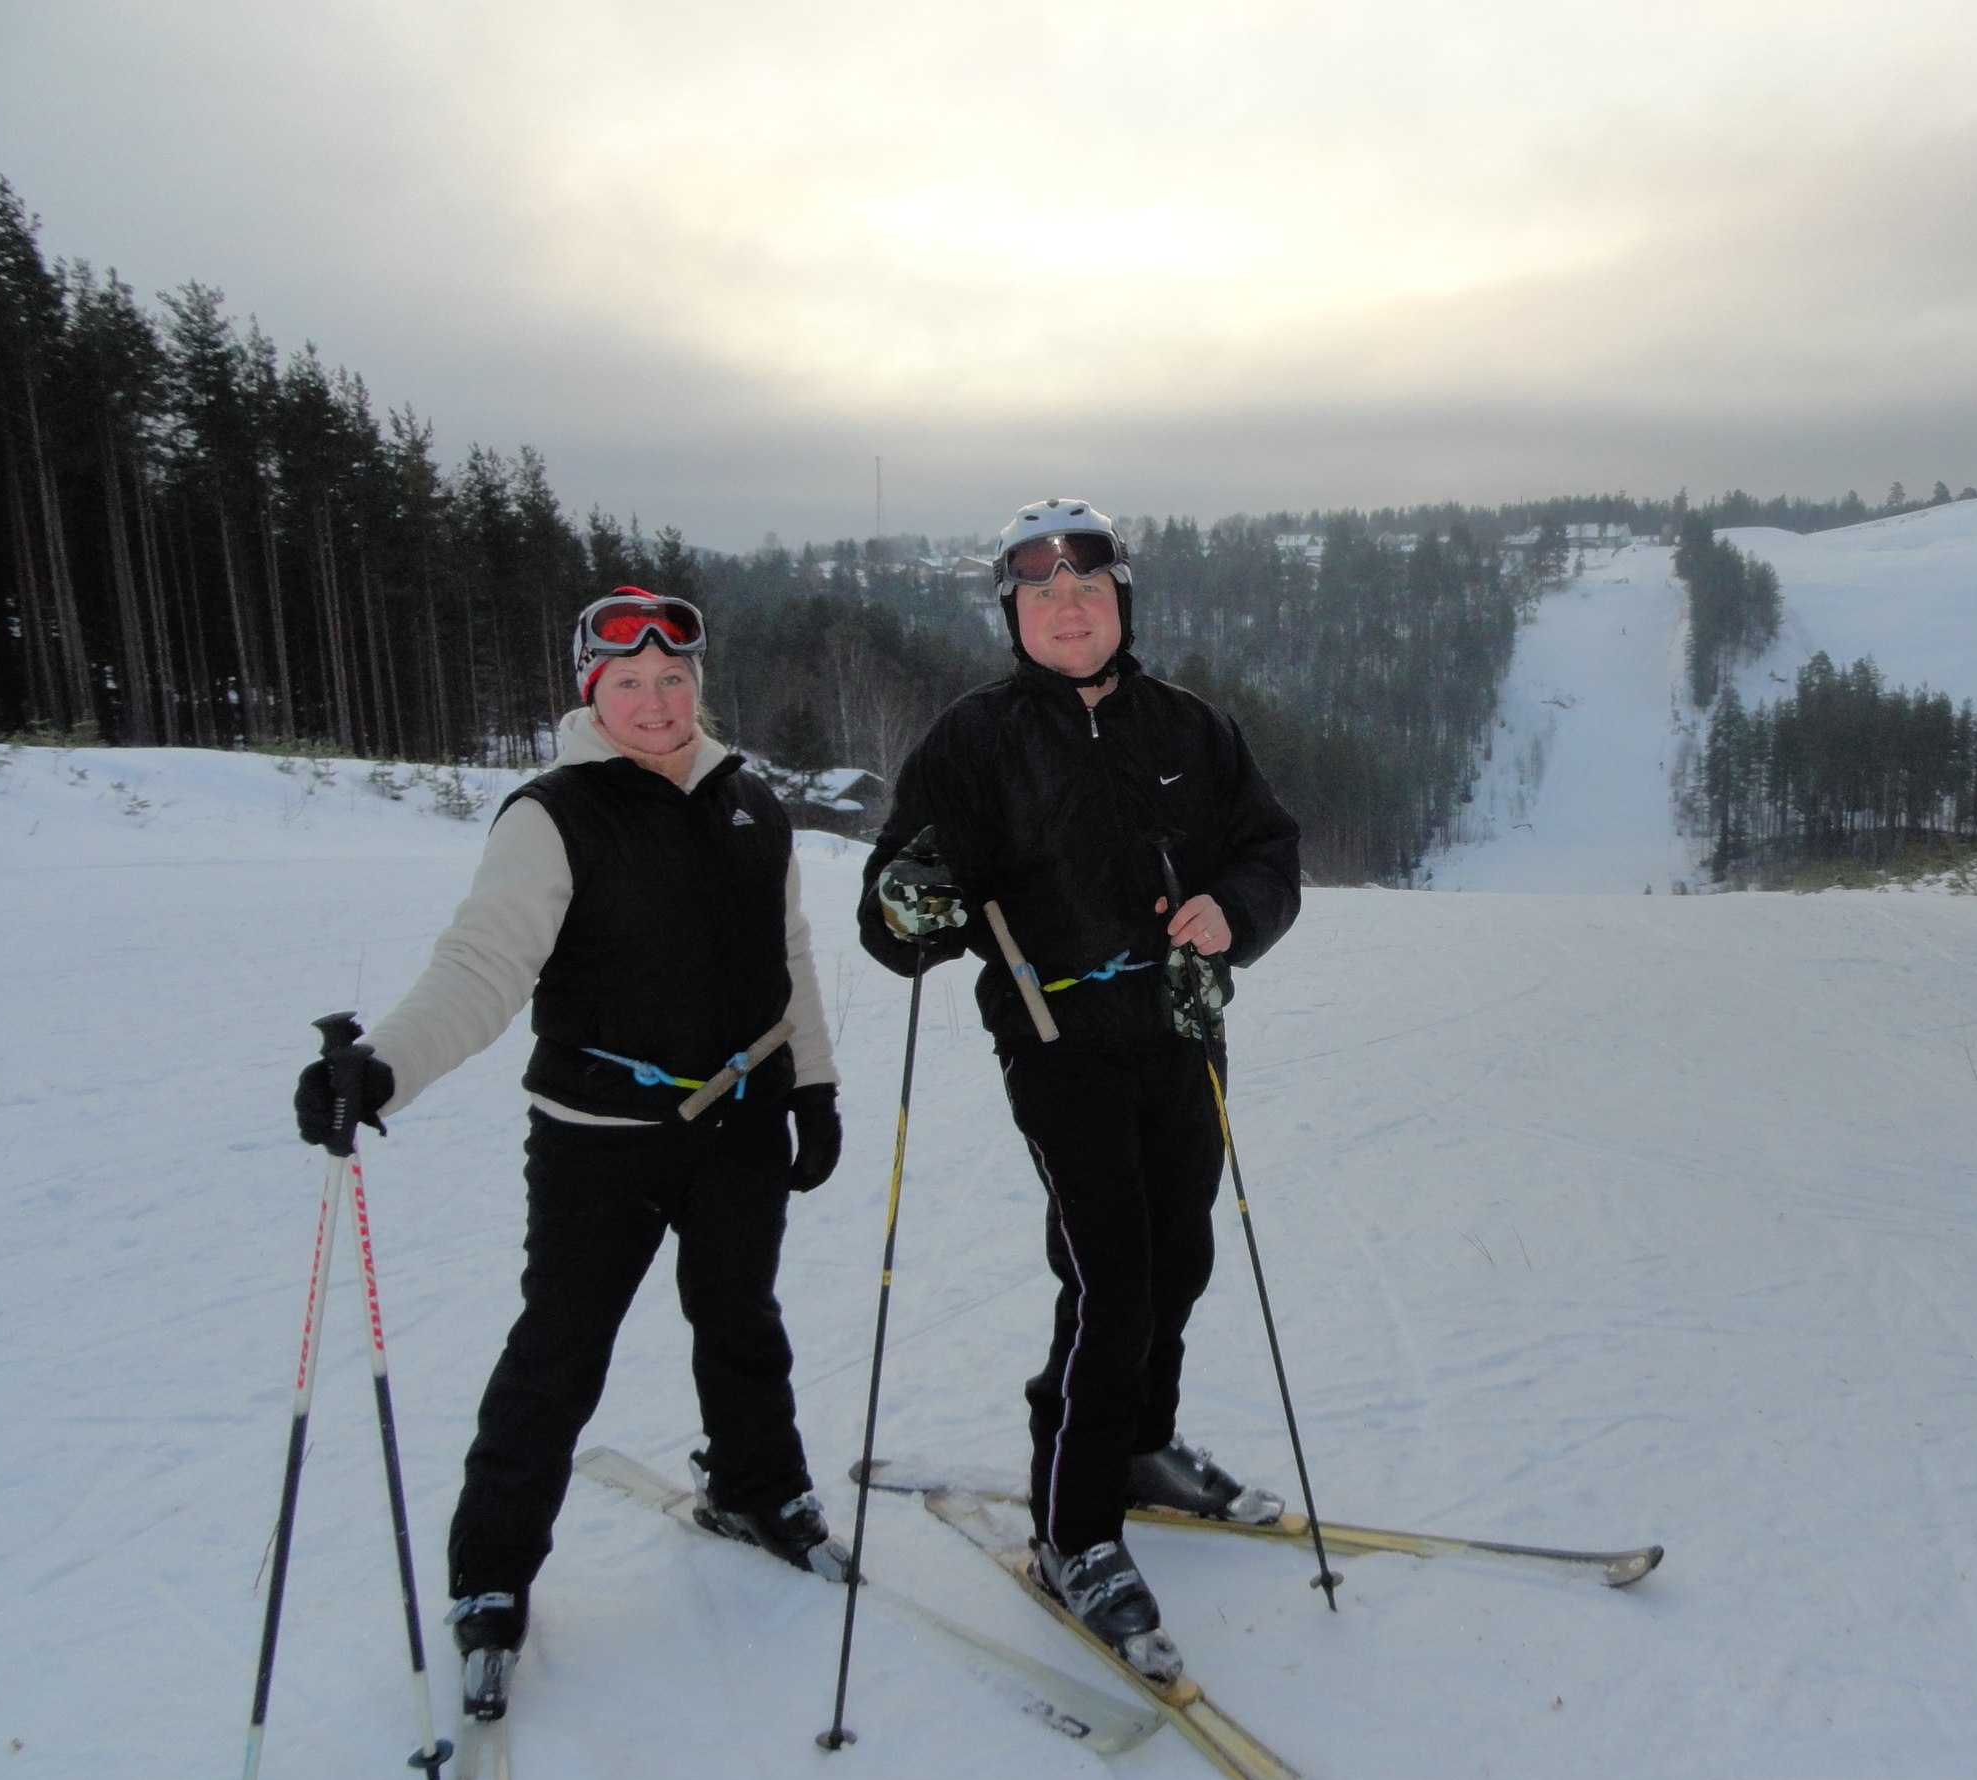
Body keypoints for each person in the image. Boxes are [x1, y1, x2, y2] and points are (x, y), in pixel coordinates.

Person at [291, 586, 844, 1715]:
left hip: (742, 1119)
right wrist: (383, 1067)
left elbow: (787, 953)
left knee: (741, 1320)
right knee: (560, 1351)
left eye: (673, 678)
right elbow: (481, 967)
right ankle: (492, 1575)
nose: (656, 701)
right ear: (592, 691)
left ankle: (756, 1487)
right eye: (629, 682)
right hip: (602, 1138)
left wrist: (816, 1084)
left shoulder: (751, 802)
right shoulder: (552, 814)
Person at [856, 499, 1301, 1684]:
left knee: (1180, 1255)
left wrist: (1235, 913)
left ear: (1121, 603)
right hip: (1057, 1040)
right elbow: (893, 921)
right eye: (1043, 593)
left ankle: (1142, 1447)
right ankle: (1075, 1529)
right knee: (1112, 1278)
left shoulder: (1189, 726)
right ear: (1013, 614)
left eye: (1089, 589)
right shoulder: (972, 740)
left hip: (1179, 1030)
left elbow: (1268, 851)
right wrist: (911, 900)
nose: (1068, 608)